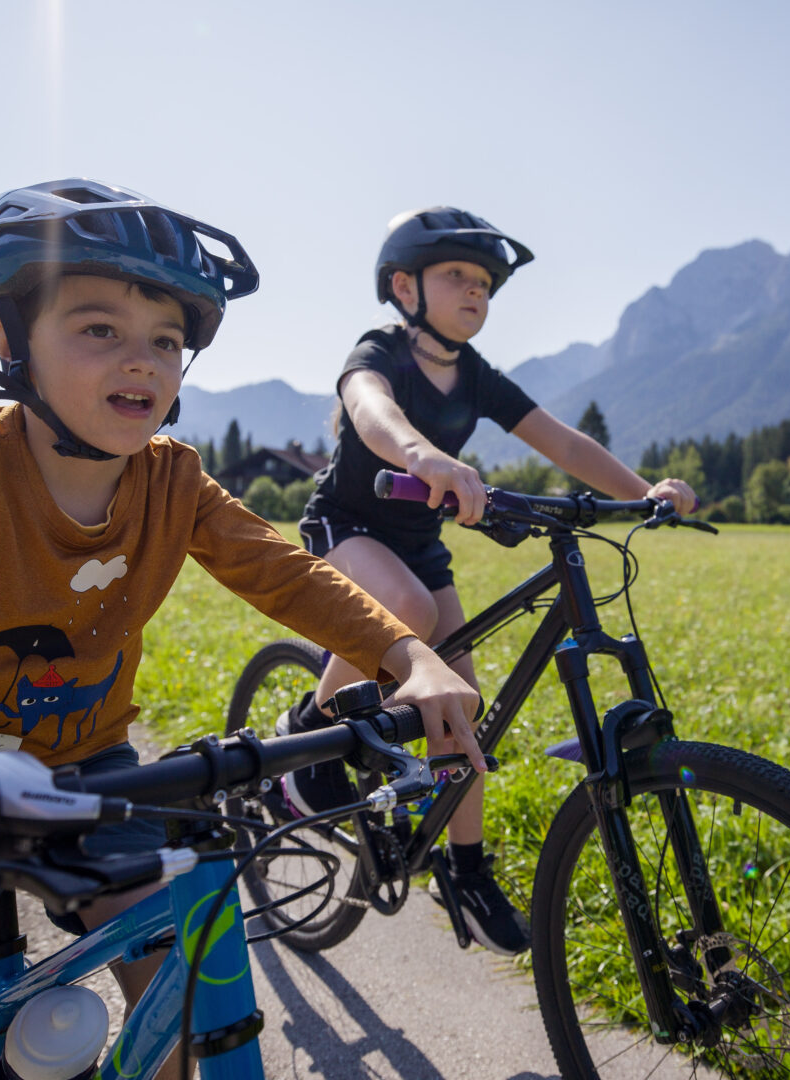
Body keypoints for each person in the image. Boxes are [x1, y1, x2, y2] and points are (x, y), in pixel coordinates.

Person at [0, 179, 483, 1080]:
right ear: (5, 340)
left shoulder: (174, 481)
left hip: (86, 768)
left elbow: (283, 569)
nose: (141, 360)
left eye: (167, 340)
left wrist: (406, 653)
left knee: (199, 1003)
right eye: (99, 328)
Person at [284, 206, 697, 956]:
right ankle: (306, 738)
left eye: (484, 283)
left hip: (419, 546)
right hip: (350, 529)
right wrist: (422, 455)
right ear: (404, 286)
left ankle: (466, 871)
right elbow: (368, 408)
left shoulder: (475, 376)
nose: (476, 292)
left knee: (458, 705)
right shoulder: (381, 349)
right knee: (403, 608)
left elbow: (561, 440)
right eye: (458, 277)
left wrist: (646, 492)